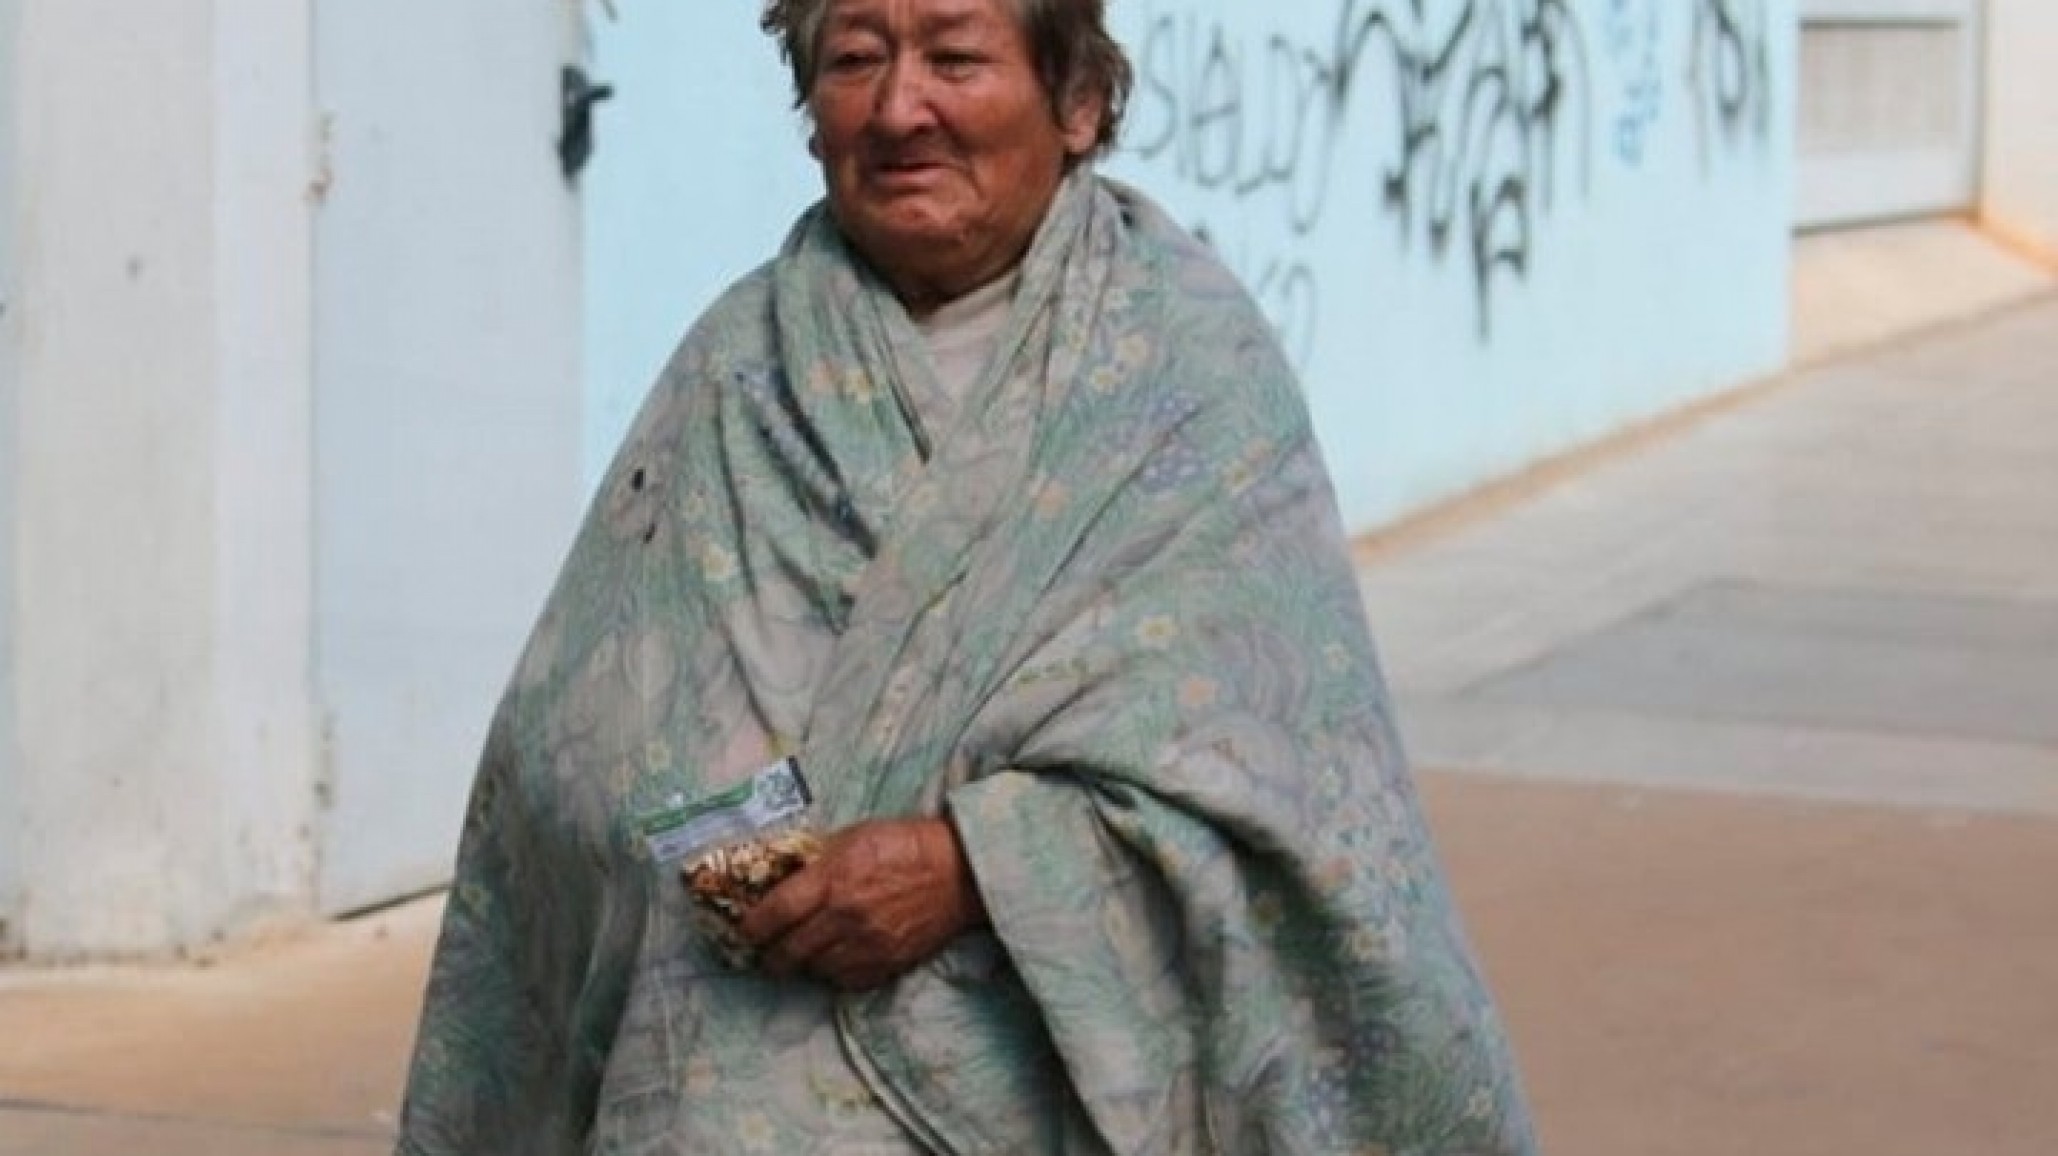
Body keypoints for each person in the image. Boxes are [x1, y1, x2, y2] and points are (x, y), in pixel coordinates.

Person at [394, 0, 1536, 1152]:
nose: (900, 110)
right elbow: (570, 737)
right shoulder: (737, 370)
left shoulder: (1184, 372)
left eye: (955, 57)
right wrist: (710, 832)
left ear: (1079, 102)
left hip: (1043, 1071)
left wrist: (972, 864)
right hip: (733, 1052)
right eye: (854, 61)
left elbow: (1281, 796)